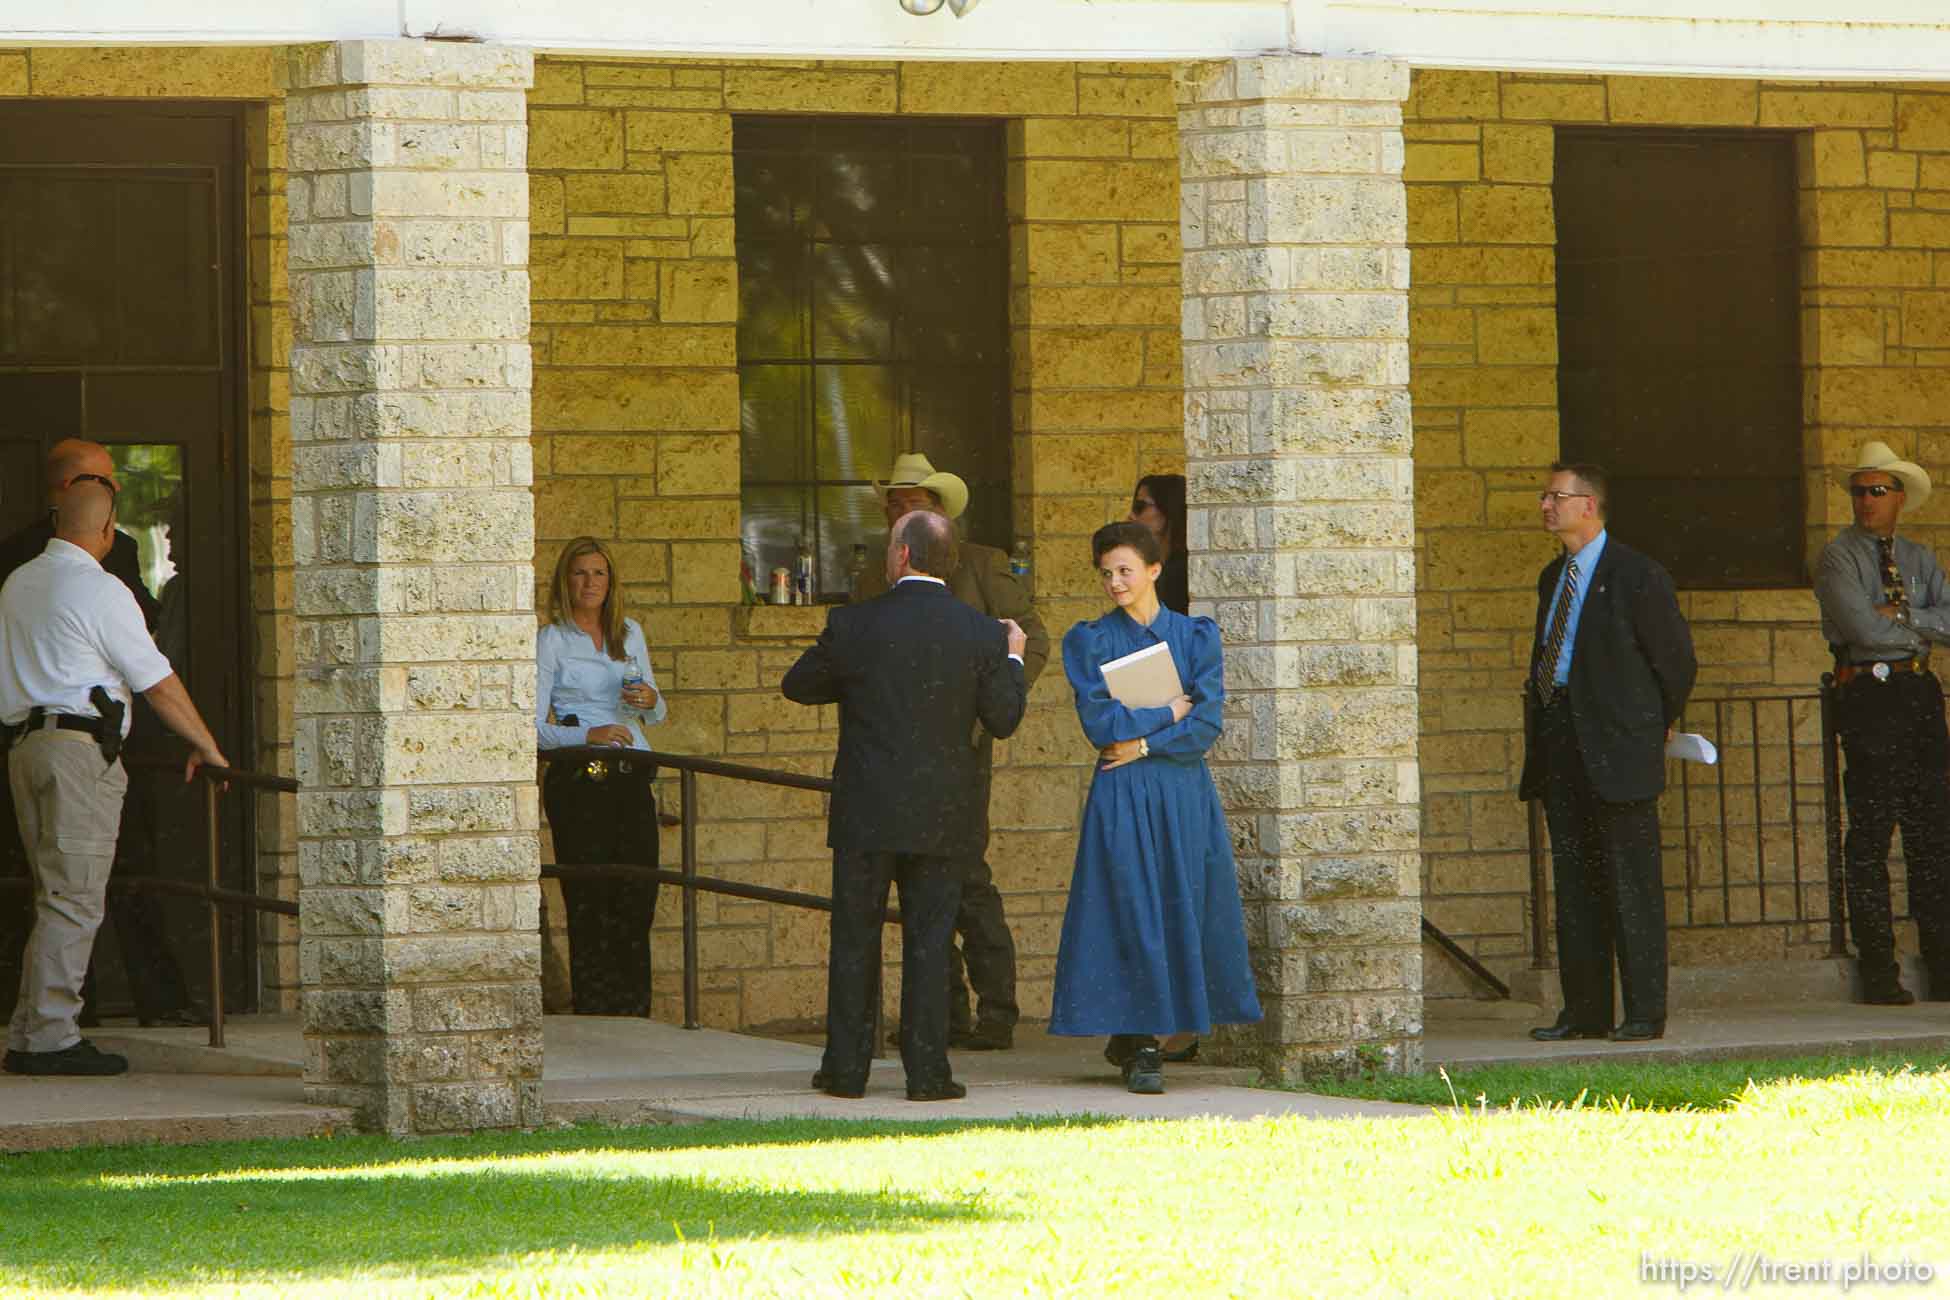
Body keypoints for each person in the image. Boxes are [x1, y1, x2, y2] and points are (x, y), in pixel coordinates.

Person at [783, 510, 1028, 1101]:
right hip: (944, 810)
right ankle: (927, 1072)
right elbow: (1003, 717)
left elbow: (799, 685)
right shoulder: (981, 633)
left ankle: (846, 1070)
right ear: (948, 561)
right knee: (929, 939)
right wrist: (1015, 655)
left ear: (900, 557)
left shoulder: (854, 624)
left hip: (867, 807)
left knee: (855, 938)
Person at [1, 479, 228, 1076]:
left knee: (54, 894)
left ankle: (30, 1028)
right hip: (78, 753)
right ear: (107, 531)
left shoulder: (19, 583)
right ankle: (50, 1036)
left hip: (26, 748)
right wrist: (206, 744)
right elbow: (156, 680)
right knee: (74, 898)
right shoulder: (102, 590)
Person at [1049, 521, 1261, 1095]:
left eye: (1125, 570)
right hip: (1122, 793)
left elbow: (1207, 723)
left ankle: (1153, 1032)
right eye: (1106, 573)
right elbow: (1101, 725)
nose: (1115, 583)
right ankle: (1141, 1041)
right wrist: (1168, 713)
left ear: (1154, 570)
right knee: (1129, 906)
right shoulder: (1089, 639)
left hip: (1181, 791)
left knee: (1180, 902)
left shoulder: (1196, 637)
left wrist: (1144, 740)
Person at [852, 452, 1048, 1052]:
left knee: (965, 878)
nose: (900, 511)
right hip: (896, 756)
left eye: (912, 502)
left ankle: (996, 1011)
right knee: (918, 880)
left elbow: (1031, 639)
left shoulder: (984, 566)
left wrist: (996, 704)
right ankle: (943, 1015)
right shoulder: (872, 576)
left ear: (937, 511)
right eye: (894, 503)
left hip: (962, 750)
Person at [1520, 462, 1696, 1044]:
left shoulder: (1636, 574)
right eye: (1545, 496)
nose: (1546, 505)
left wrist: (1653, 725)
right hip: (1562, 741)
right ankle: (1584, 1010)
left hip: (1618, 750)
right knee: (1575, 884)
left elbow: (1675, 661)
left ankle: (1644, 1011)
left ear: (1589, 505)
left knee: (1631, 883)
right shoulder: (1553, 577)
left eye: (1556, 497)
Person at [1813, 441, 1950, 1005]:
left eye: (1877, 491)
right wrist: (1918, 628)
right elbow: (1861, 630)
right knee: (1870, 834)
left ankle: (1942, 965)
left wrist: (1906, 617)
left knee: (1933, 833)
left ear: (1899, 498)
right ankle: (1877, 971)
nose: (1866, 502)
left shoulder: (1919, 558)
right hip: (1869, 692)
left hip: (1919, 690)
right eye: (1858, 491)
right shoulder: (1837, 557)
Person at [535, 537, 668, 1017]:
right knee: (590, 894)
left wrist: (651, 701)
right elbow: (532, 729)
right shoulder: (552, 640)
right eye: (580, 573)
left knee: (637, 890)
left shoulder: (628, 633)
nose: (590, 583)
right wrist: (588, 733)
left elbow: (656, 711)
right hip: (581, 773)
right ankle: (595, 1004)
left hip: (630, 769)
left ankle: (633, 1007)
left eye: (599, 574)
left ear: (611, 583)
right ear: (565, 581)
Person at [1129, 473, 1188, 616]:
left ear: (1168, 508)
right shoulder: (1156, 568)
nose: (1131, 515)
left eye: (1140, 506)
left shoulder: (1182, 572)